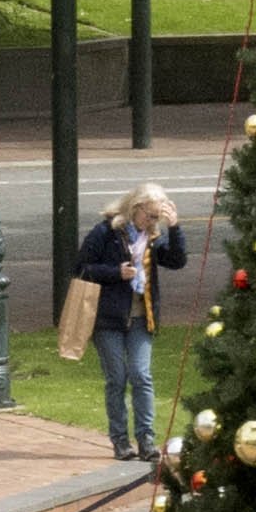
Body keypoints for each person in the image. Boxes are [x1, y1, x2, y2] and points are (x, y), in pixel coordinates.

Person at [75, 176, 187, 462]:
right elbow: (81, 268)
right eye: (149, 216)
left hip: (141, 316)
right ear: (134, 208)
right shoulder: (106, 232)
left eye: (157, 217)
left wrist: (174, 228)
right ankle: (120, 441)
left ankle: (147, 440)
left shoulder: (151, 237)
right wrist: (115, 272)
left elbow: (176, 260)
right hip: (108, 319)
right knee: (117, 378)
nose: (152, 222)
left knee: (141, 375)